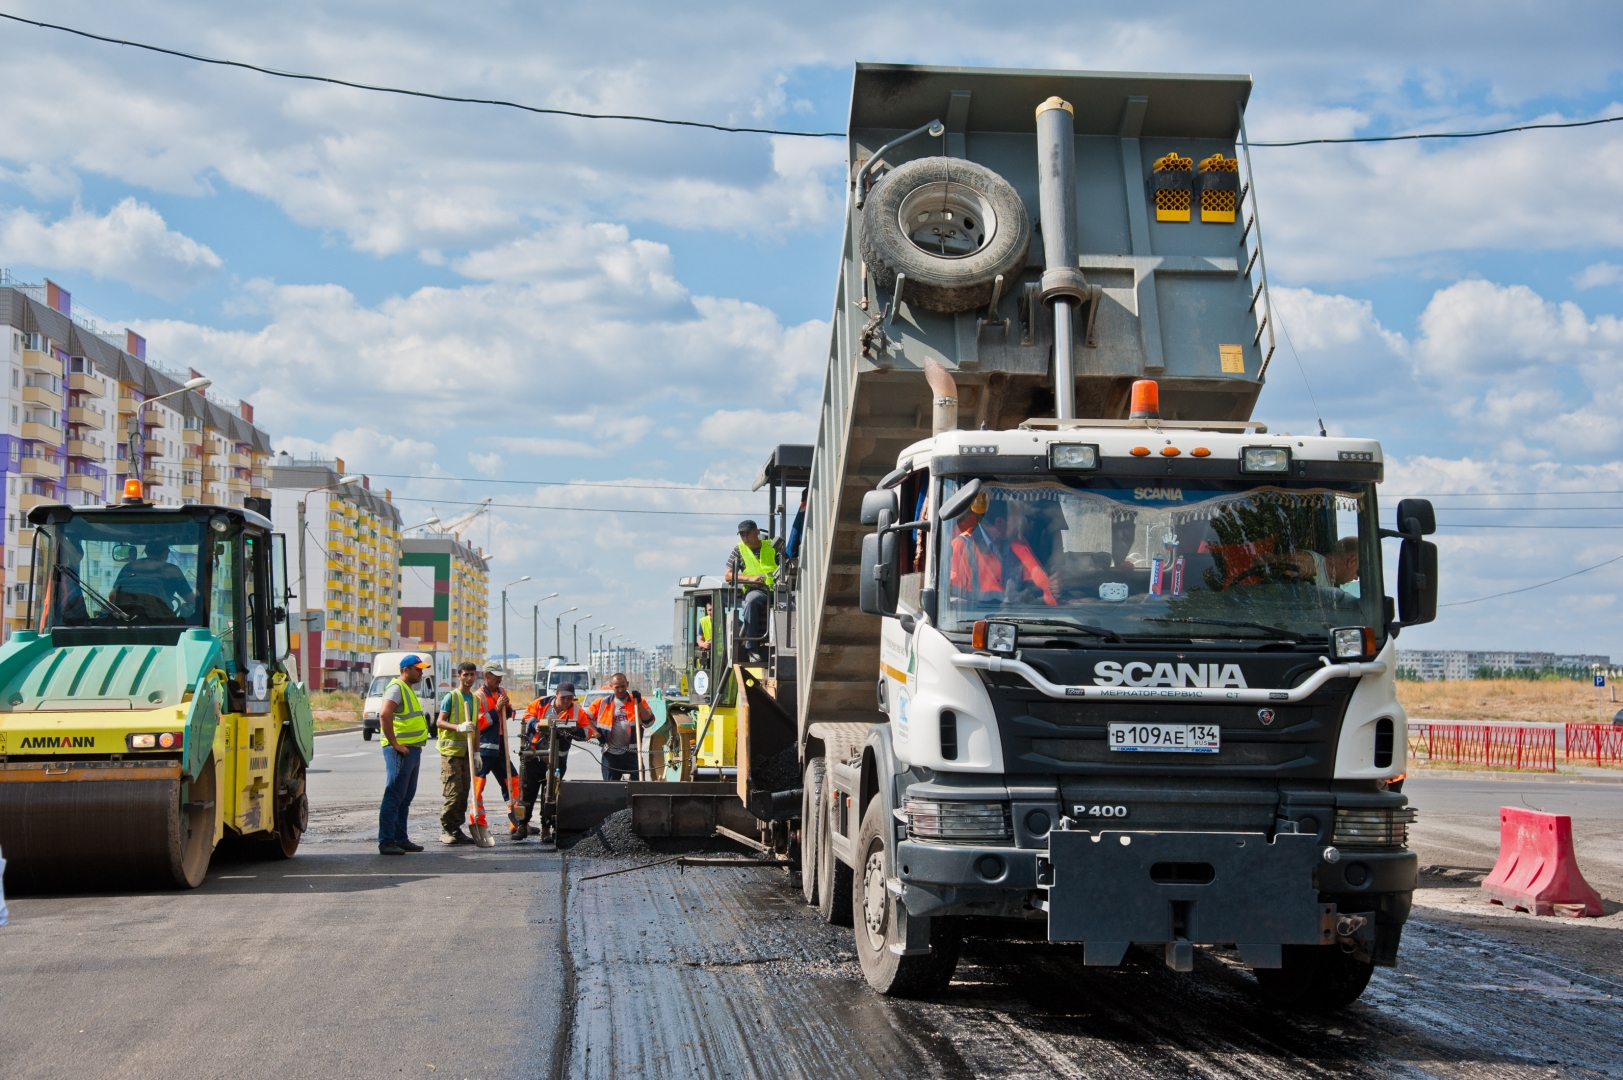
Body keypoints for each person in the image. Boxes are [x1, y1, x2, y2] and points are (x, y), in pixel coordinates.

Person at [377, 654, 432, 855]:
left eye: (422, 669)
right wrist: (395, 744)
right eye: (418, 669)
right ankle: (386, 841)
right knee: (394, 795)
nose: (421, 672)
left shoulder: (407, 689)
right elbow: (384, 714)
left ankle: (400, 838)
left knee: (405, 797)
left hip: (412, 750)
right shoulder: (396, 687)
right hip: (400, 751)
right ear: (405, 670)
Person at [517, 681, 590, 830]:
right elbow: (527, 715)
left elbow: (587, 731)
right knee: (528, 791)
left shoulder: (577, 711)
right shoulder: (540, 703)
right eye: (563, 697)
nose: (566, 701)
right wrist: (536, 724)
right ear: (556, 694)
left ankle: (546, 827)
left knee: (550, 794)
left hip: (558, 759)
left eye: (570, 698)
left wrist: (573, 731)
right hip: (535, 756)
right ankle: (522, 824)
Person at [473, 667, 521, 838]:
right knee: (478, 785)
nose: (499, 680)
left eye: (501, 676)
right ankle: (478, 823)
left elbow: (507, 714)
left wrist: (507, 708)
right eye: (496, 676)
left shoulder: (501, 691)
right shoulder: (478, 696)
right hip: (485, 747)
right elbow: (479, 723)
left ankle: (518, 821)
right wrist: (496, 709)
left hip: (500, 745)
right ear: (486, 676)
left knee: (513, 781)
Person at [435, 661, 480, 845]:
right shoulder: (451, 697)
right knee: (453, 793)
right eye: (465, 675)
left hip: (467, 753)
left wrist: (477, 752)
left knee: (463, 793)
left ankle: (456, 828)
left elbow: (476, 728)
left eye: (472, 674)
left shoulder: (475, 699)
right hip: (451, 753)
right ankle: (446, 829)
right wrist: (458, 727)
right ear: (459, 676)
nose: (469, 678)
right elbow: (439, 722)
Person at [725, 519, 777, 660]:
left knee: (793, 606)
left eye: (747, 534)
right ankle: (751, 648)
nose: (745, 537)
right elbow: (728, 575)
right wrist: (750, 579)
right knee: (751, 601)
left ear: (757, 532)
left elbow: (787, 564)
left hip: (777, 590)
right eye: (742, 535)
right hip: (756, 591)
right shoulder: (739, 549)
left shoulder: (772, 545)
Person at [589, 672, 654, 780]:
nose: (620, 690)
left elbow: (649, 722)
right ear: (611, 687)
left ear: (627, 684)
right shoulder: (602, 703)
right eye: (617, 687)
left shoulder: (637, 701)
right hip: (611, 753)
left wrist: (639, 703)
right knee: (610, 788)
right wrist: (595, 732)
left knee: (639, 784)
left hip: (633, 753)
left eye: (623, 686)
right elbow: (584, 718)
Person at [111, 539, 197, 619]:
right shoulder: (172, 571)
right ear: (166, 552)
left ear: (146, 551)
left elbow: (112, 598)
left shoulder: (129, 567)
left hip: (126, 621)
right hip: (163, 623)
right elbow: (192, 601)